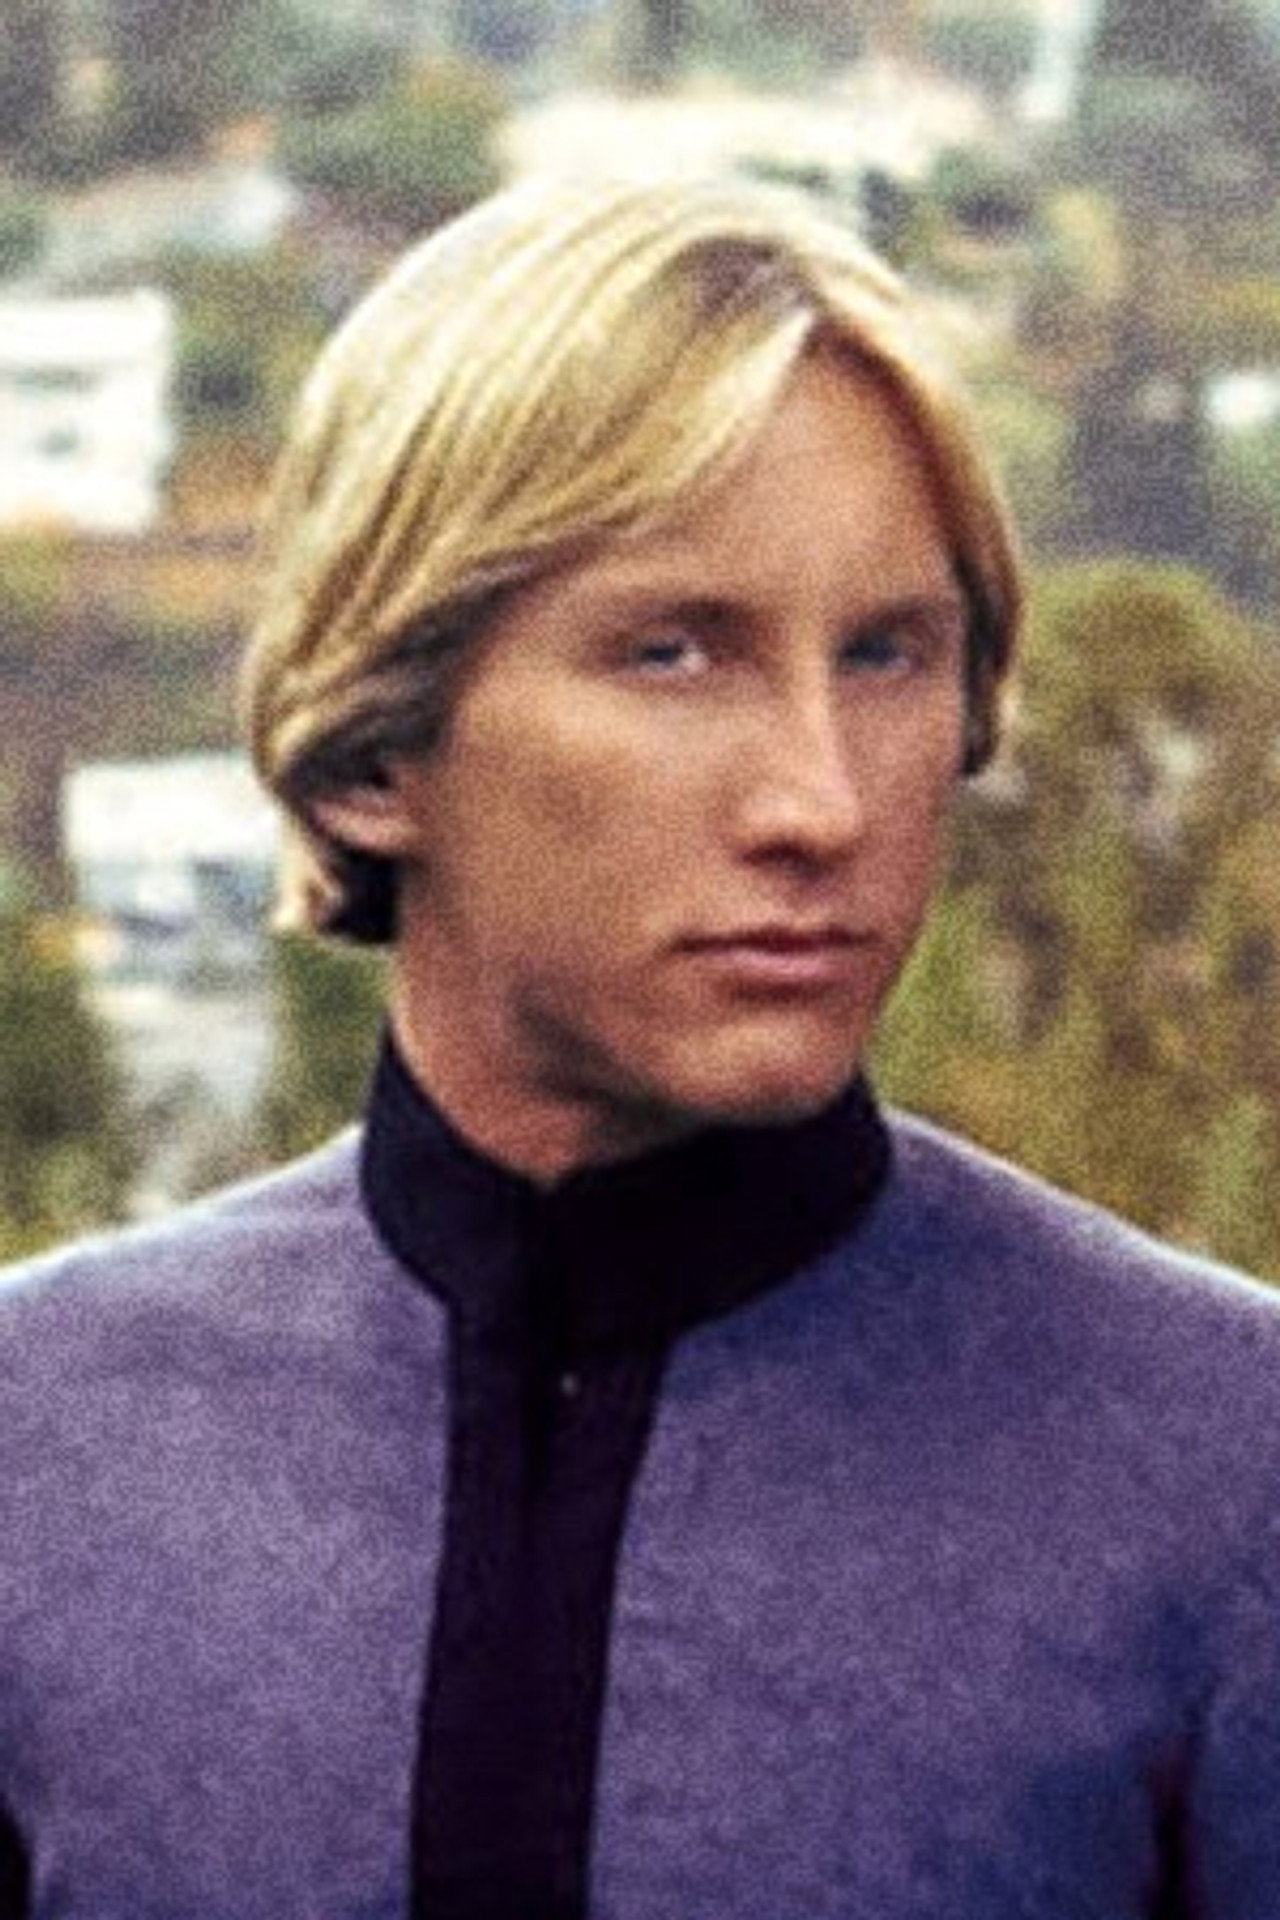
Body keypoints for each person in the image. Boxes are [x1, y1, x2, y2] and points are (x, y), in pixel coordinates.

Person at [1, 174, 1278, 1920]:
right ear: (375, 748)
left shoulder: (1225, 1473)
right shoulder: (41, 1446)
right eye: (674, 654)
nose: (821, 802)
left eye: (889, 655)